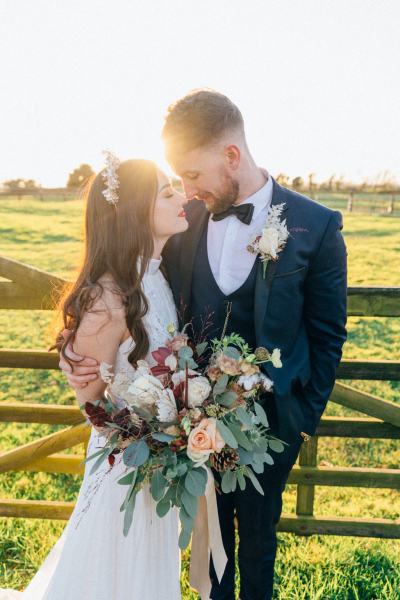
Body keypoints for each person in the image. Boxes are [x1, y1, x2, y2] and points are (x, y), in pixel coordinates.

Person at [61, 90, 348, 600]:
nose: (187, 190)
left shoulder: (317, 225)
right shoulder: (185, 221)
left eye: (192, 175)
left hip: (271, 428)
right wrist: (77, 338)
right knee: (203, 549)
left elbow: (328, 336)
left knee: (258, 547)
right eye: (178, 181)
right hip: (183, 432)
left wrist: (301, 417)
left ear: (231, 156)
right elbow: (128, 284)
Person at [0, 157, 188, 600]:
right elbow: (90, 401)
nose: (183, 199)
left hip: (159, 462)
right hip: (125, 464)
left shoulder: (157, 277)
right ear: (136, 211)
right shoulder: (110, 295)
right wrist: (146, 440)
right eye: (168, 193)